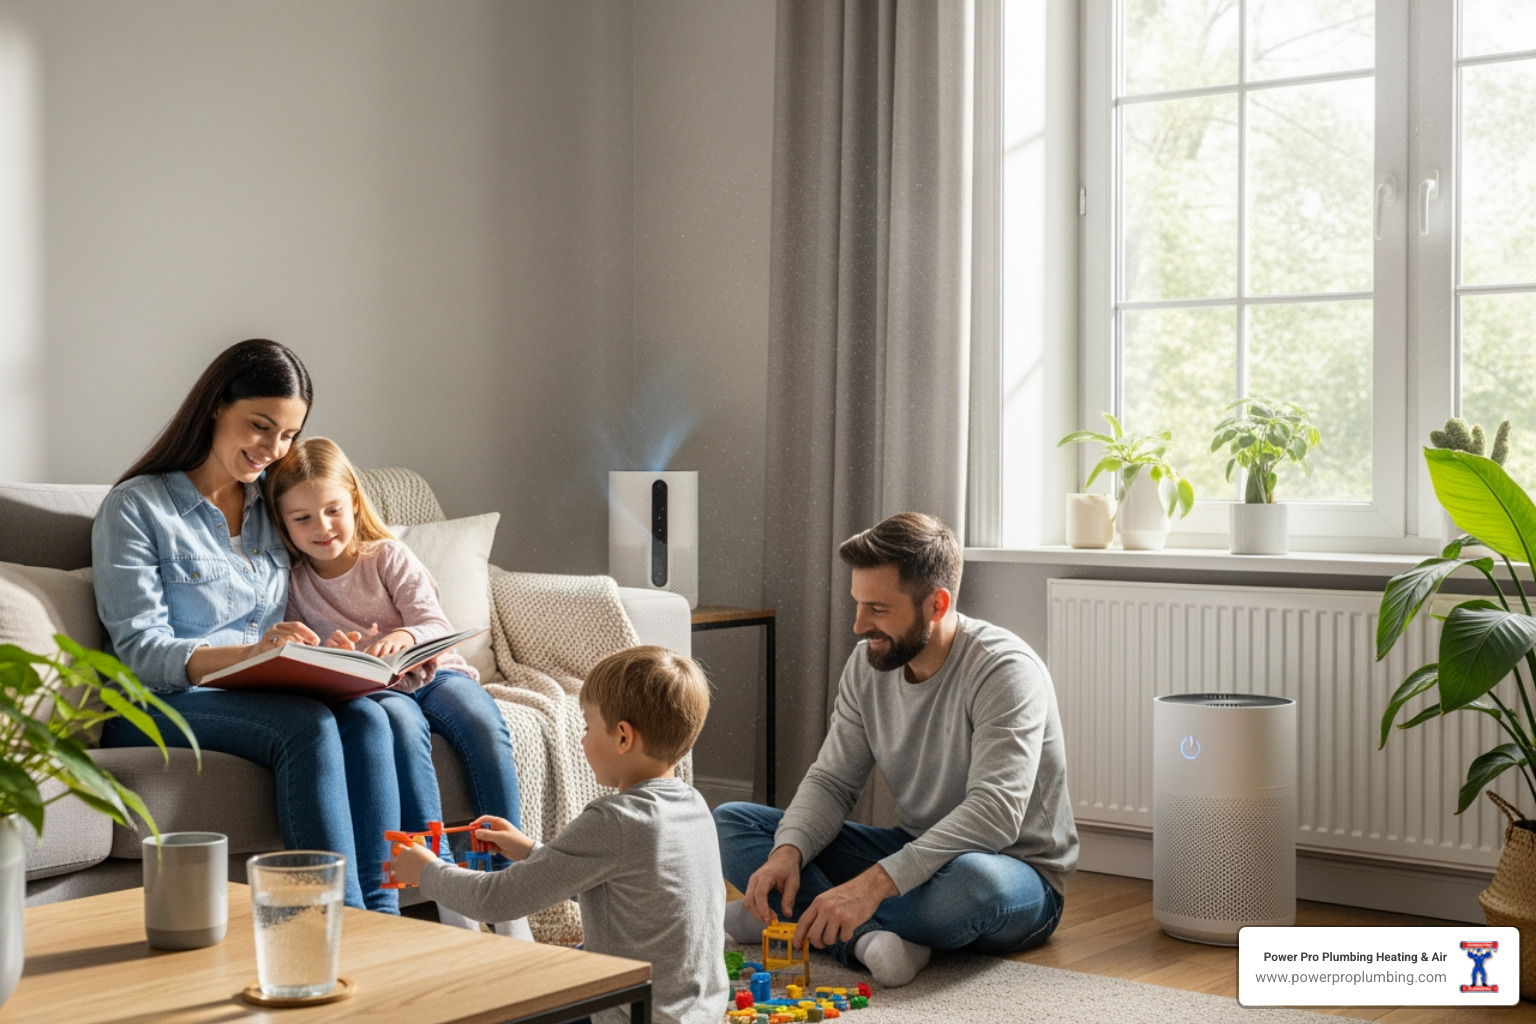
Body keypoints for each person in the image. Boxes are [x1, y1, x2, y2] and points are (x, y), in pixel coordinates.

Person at [94, 338, 406, 912]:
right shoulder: (137, 507)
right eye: (261, 427)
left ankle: (386, 918)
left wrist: (328, 649)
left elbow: (326, 571)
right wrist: (252, 655)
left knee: (366, 716)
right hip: (156, 703)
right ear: (216, 406)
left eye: (288, 434)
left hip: (257, 690)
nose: (273, 449)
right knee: (306, 727)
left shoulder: (273, 506)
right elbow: (140, 650)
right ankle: (334, 923)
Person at [714, 512, 1078, 988]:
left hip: (1011, 871)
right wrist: (788, 852)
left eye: (878, 610)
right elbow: (832, 781)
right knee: (732, 823)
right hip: (912, 850)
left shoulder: (1005, 670)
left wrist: (872, 885)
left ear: (937, 604)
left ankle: (792, 916)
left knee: (969, 888)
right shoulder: (869, 663)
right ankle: (868, 941)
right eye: (858, 604)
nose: (858, 625)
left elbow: (995, 814)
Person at [264, 435, 528, 937]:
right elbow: (309, 655)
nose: (322, 527)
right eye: (303, 519)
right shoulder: (295, 585)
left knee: (482, 724)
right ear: (284, 525)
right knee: (404, 733)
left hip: (436, 673)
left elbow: (432, 622)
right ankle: (448, 889)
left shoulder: (385, 556)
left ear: (354, 503)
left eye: (333, 510)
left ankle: (509, 886)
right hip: (379, 692)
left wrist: (404, 634)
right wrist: (336, 649)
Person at [391, 645, 727, 1024]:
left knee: (500, 1003)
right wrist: (531, 850)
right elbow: (617, 882)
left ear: (622, 737)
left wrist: (426, 871)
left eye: (586, 726)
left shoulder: (615, 820)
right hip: (700, 1013)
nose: (582, 740)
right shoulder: (693, 804)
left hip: (633, 1016)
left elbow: (495, 899)